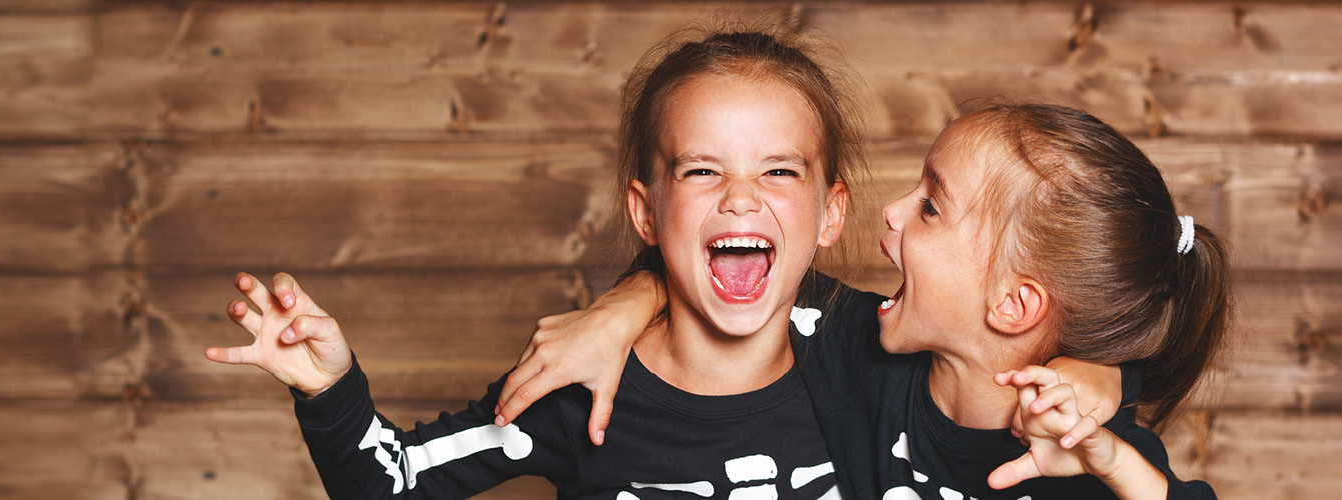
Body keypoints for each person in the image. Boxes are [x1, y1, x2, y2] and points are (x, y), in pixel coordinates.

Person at [204, 27, 864, 498]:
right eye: (700, 169)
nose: (742, 196)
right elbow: (394, 483)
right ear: (646, 215)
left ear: (831, 214)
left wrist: (635, 294)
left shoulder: (869, 353)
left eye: (779, 169)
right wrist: (330, 391)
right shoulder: (574, 387)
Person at [502, 103, 1226, 499]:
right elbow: (727, 266)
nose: (893, 212)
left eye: (932, 208)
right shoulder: (846, 346)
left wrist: (1123, 466)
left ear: (1012, 304)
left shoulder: (1092, 461)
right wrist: (622, 306)